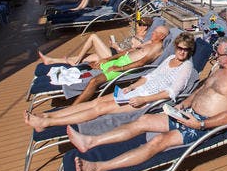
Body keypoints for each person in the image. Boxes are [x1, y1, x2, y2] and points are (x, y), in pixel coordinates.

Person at [68, 37, 227, 171]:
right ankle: (90, 141)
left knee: (158, 142)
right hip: (186, 113)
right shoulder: (219, 70)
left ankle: (98, 168)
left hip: (201, 124)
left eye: (218, 53)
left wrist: (199, 125)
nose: (214, 55)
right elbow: (201, 90)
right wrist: (185, 103)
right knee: (143, 120)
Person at [25, 34, 195, 131]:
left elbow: (171, 93)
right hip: (137, 90)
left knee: (100, 108)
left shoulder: (186, 67)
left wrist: (144, 99)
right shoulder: (170, 58)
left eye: (185, 49)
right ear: (175, 47)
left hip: (147, 99)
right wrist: (131, 86)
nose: (181, 52)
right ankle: (49, 115)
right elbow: (150, 76)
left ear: (189, 51)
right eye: (179, 48)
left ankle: (47, 122)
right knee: (96, 101)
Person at [67, 24, 170, 105]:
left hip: (123, 68)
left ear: (162, 36)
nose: (152, 33)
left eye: (155, 32)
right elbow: (128, 51)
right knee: (91, 65)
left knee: (94, 81)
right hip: (118, 61)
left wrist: (118, 68)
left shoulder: (156, 48)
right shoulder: (149, 42)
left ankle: (74, 107)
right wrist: (107, 59)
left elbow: (140, 63)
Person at [38, 17, 156, 66]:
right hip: (112, 51)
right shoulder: (137, 35)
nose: (137, 25)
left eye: (140, 24)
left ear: (145, 27)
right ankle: (51, 60)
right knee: (86, 58)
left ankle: (77, 59)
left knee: (93, 37)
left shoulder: (140, 41)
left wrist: (116, 46)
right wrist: (114, 44)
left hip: (114, 56)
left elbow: (128, 53)